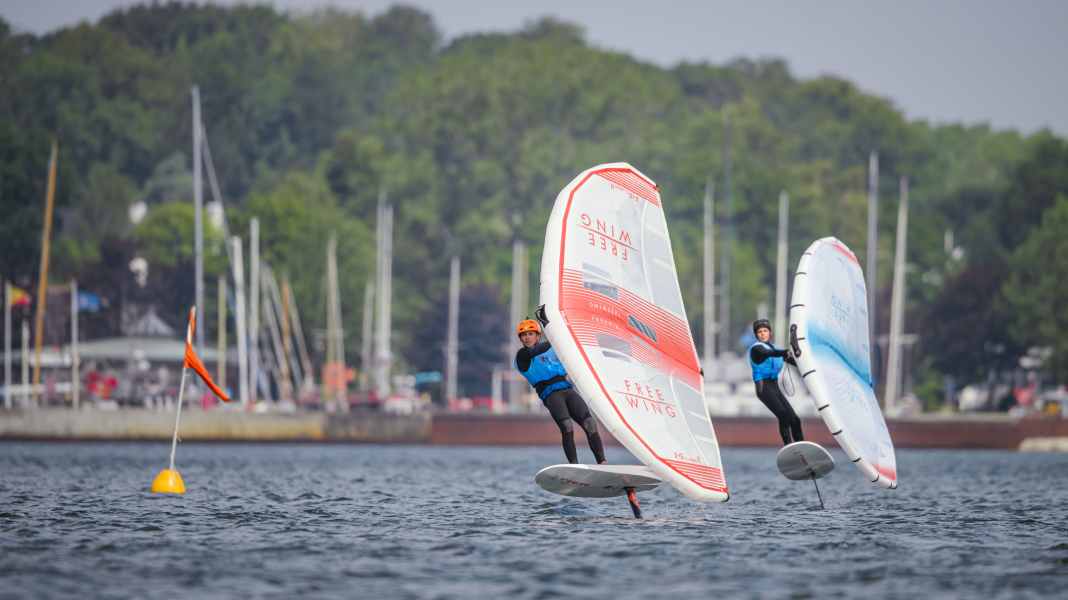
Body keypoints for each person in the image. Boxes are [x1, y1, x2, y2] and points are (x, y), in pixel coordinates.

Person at [514, 319, 607, 464]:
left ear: (537, 336)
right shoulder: (522, 356)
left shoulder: (553, 349)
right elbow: (536, 351)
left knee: (590, 423)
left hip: (567, 390)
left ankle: (602, 462)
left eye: (530, 334)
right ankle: (574, 466)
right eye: (523, 335)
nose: (527, 337)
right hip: (551, 395)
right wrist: (558, 336)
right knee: (567, 426)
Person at [749, 318, 804, 446]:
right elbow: (768, 353)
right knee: (783, 415)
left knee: (795, 419)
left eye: (765, 331)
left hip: (775, 387)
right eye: (759, 332)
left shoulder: (776, 349)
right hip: (763, 388)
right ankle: (789, 447)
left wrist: (807, 366)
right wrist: (784, 352)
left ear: (770, 333)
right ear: (756, 335)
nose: (762, 334)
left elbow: (796, 364)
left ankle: (802, 447)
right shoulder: (756, 349)